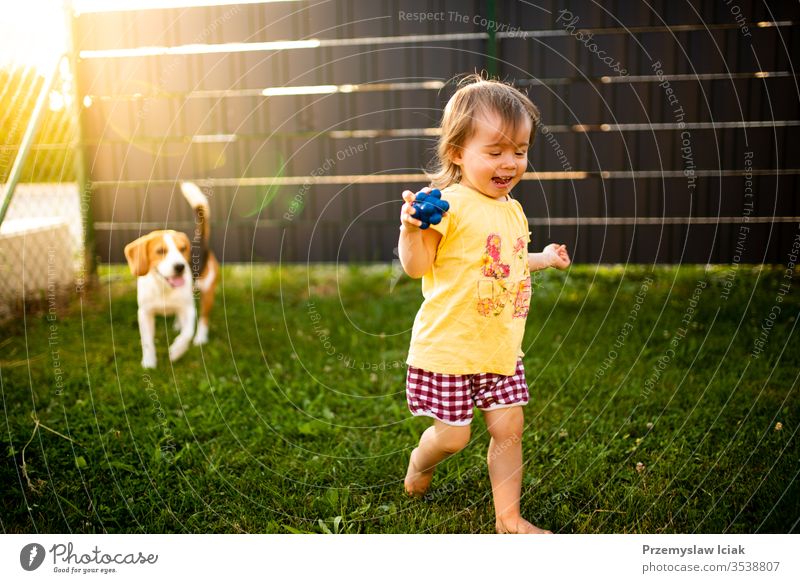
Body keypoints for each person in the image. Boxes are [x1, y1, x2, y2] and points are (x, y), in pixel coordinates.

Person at [398, 75, 571, 534]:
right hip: (451, 351)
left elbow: (505, 261)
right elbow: (417, 267)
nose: (509, 163)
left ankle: (508, 519)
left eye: (520, 151)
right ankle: (420, 461)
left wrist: (544, 259)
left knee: (508, 429)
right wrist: (410, 229)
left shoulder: (512, 208)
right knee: (454, 438)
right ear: (457, 152)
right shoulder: (446, 205)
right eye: (494, 152)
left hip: (499, 348)